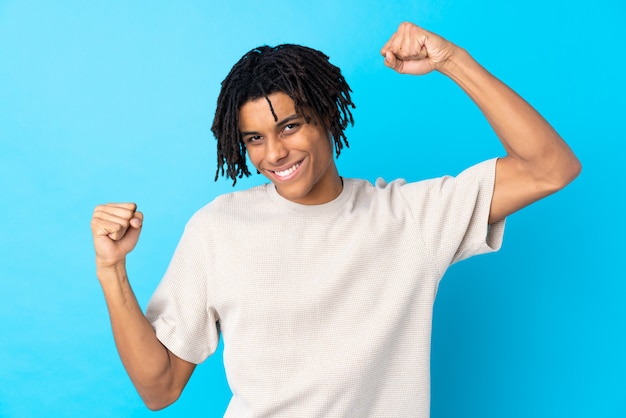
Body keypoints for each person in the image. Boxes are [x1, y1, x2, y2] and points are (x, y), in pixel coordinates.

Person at [90, 22, 581, 417]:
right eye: (255, 138)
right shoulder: (219, 228)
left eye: (290, 126)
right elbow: (160, 389)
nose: (275, 153)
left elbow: (550, 168)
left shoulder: (412, 218)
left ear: (326, 116)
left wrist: (453, 61)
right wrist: (111, 269)